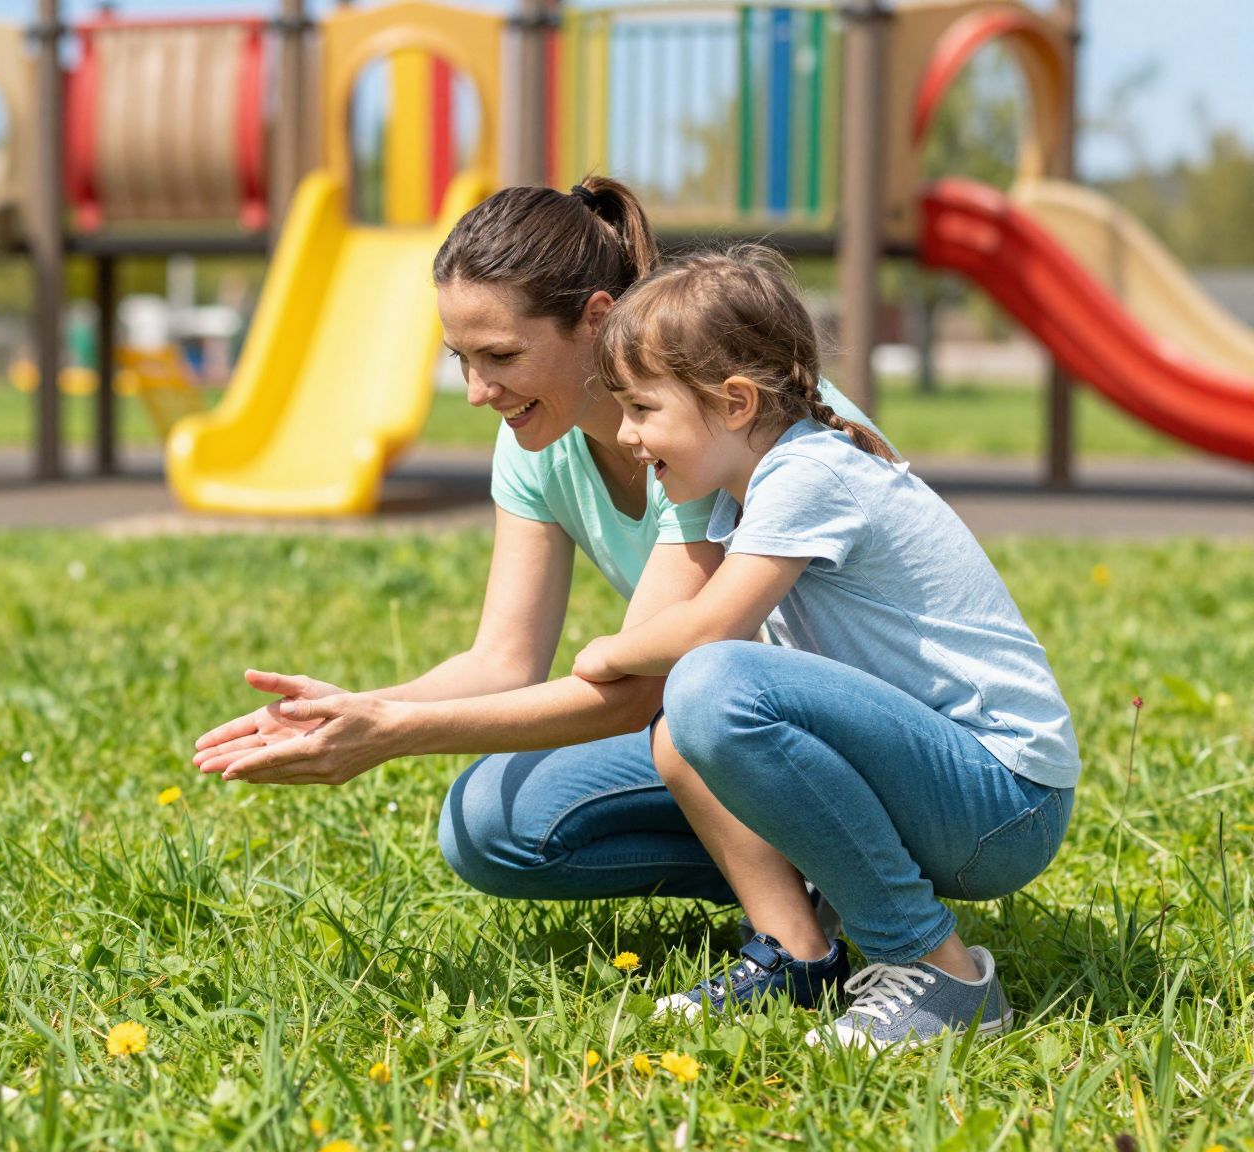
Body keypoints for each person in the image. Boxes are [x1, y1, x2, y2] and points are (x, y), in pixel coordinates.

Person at [191, 179, 869, 927]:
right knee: (490, 822)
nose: (478, 391)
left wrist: (393, 734)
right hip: (734, 728)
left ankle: (843, 895)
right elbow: (503, 662)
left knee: (677, 720)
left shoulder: (713, 424)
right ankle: (803, 881)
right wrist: (355, 712)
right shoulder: (536, 438)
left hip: (872, 738)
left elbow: (636, 694)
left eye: (501, 355)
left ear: (597, 320)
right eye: (461, 358)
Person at [572, 246, 1078, 1049]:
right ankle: (800, 957)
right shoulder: (741, 495)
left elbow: (708, 633)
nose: (628, 435)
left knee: (711, 686)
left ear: (735, 402)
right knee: (680, 737)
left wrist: (610, 651)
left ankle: (943, 976)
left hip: (1005, 798)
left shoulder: (809, 474)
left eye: (641, 408)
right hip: (952, 788)